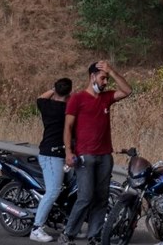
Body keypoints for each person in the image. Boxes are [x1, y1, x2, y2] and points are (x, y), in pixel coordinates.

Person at [61, 61, 132, 245]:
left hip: (104, 156)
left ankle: (94, 236)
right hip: (85, 156)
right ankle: (68, 234)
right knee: (85, 197)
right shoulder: (77, 99)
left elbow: (127, 91)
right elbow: (68, 127)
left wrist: (112, 71)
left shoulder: (106, 97)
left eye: (107, 79)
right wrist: (69, 152)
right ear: (92, 77)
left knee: (101, 198)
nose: (105, 82)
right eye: (102, 78)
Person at [31, 77, 73, 243]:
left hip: (52, 152)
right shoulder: (68, 109)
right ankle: (36, 227)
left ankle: (61, 221)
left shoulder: (46, 105)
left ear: (55, 90)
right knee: (53, 191)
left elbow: (40, 97)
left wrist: (54, 89)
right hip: (52, 155)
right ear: (69, 92)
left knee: (64, 189)